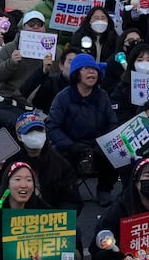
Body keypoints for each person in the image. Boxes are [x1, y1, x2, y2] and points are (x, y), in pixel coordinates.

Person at [46, 52, 117, 190]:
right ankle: (68, 192)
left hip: (98, 147)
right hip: (70, 147)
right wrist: (71, 145)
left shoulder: (103, 96)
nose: (92, 72)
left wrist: (104, 144)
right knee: (55, 157)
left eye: (94, 69)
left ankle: (104, 189)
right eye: (86, 68)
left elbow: (112, 123)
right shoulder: (63, 97)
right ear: (76, 74)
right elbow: (53, 127)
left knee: (118, 152)